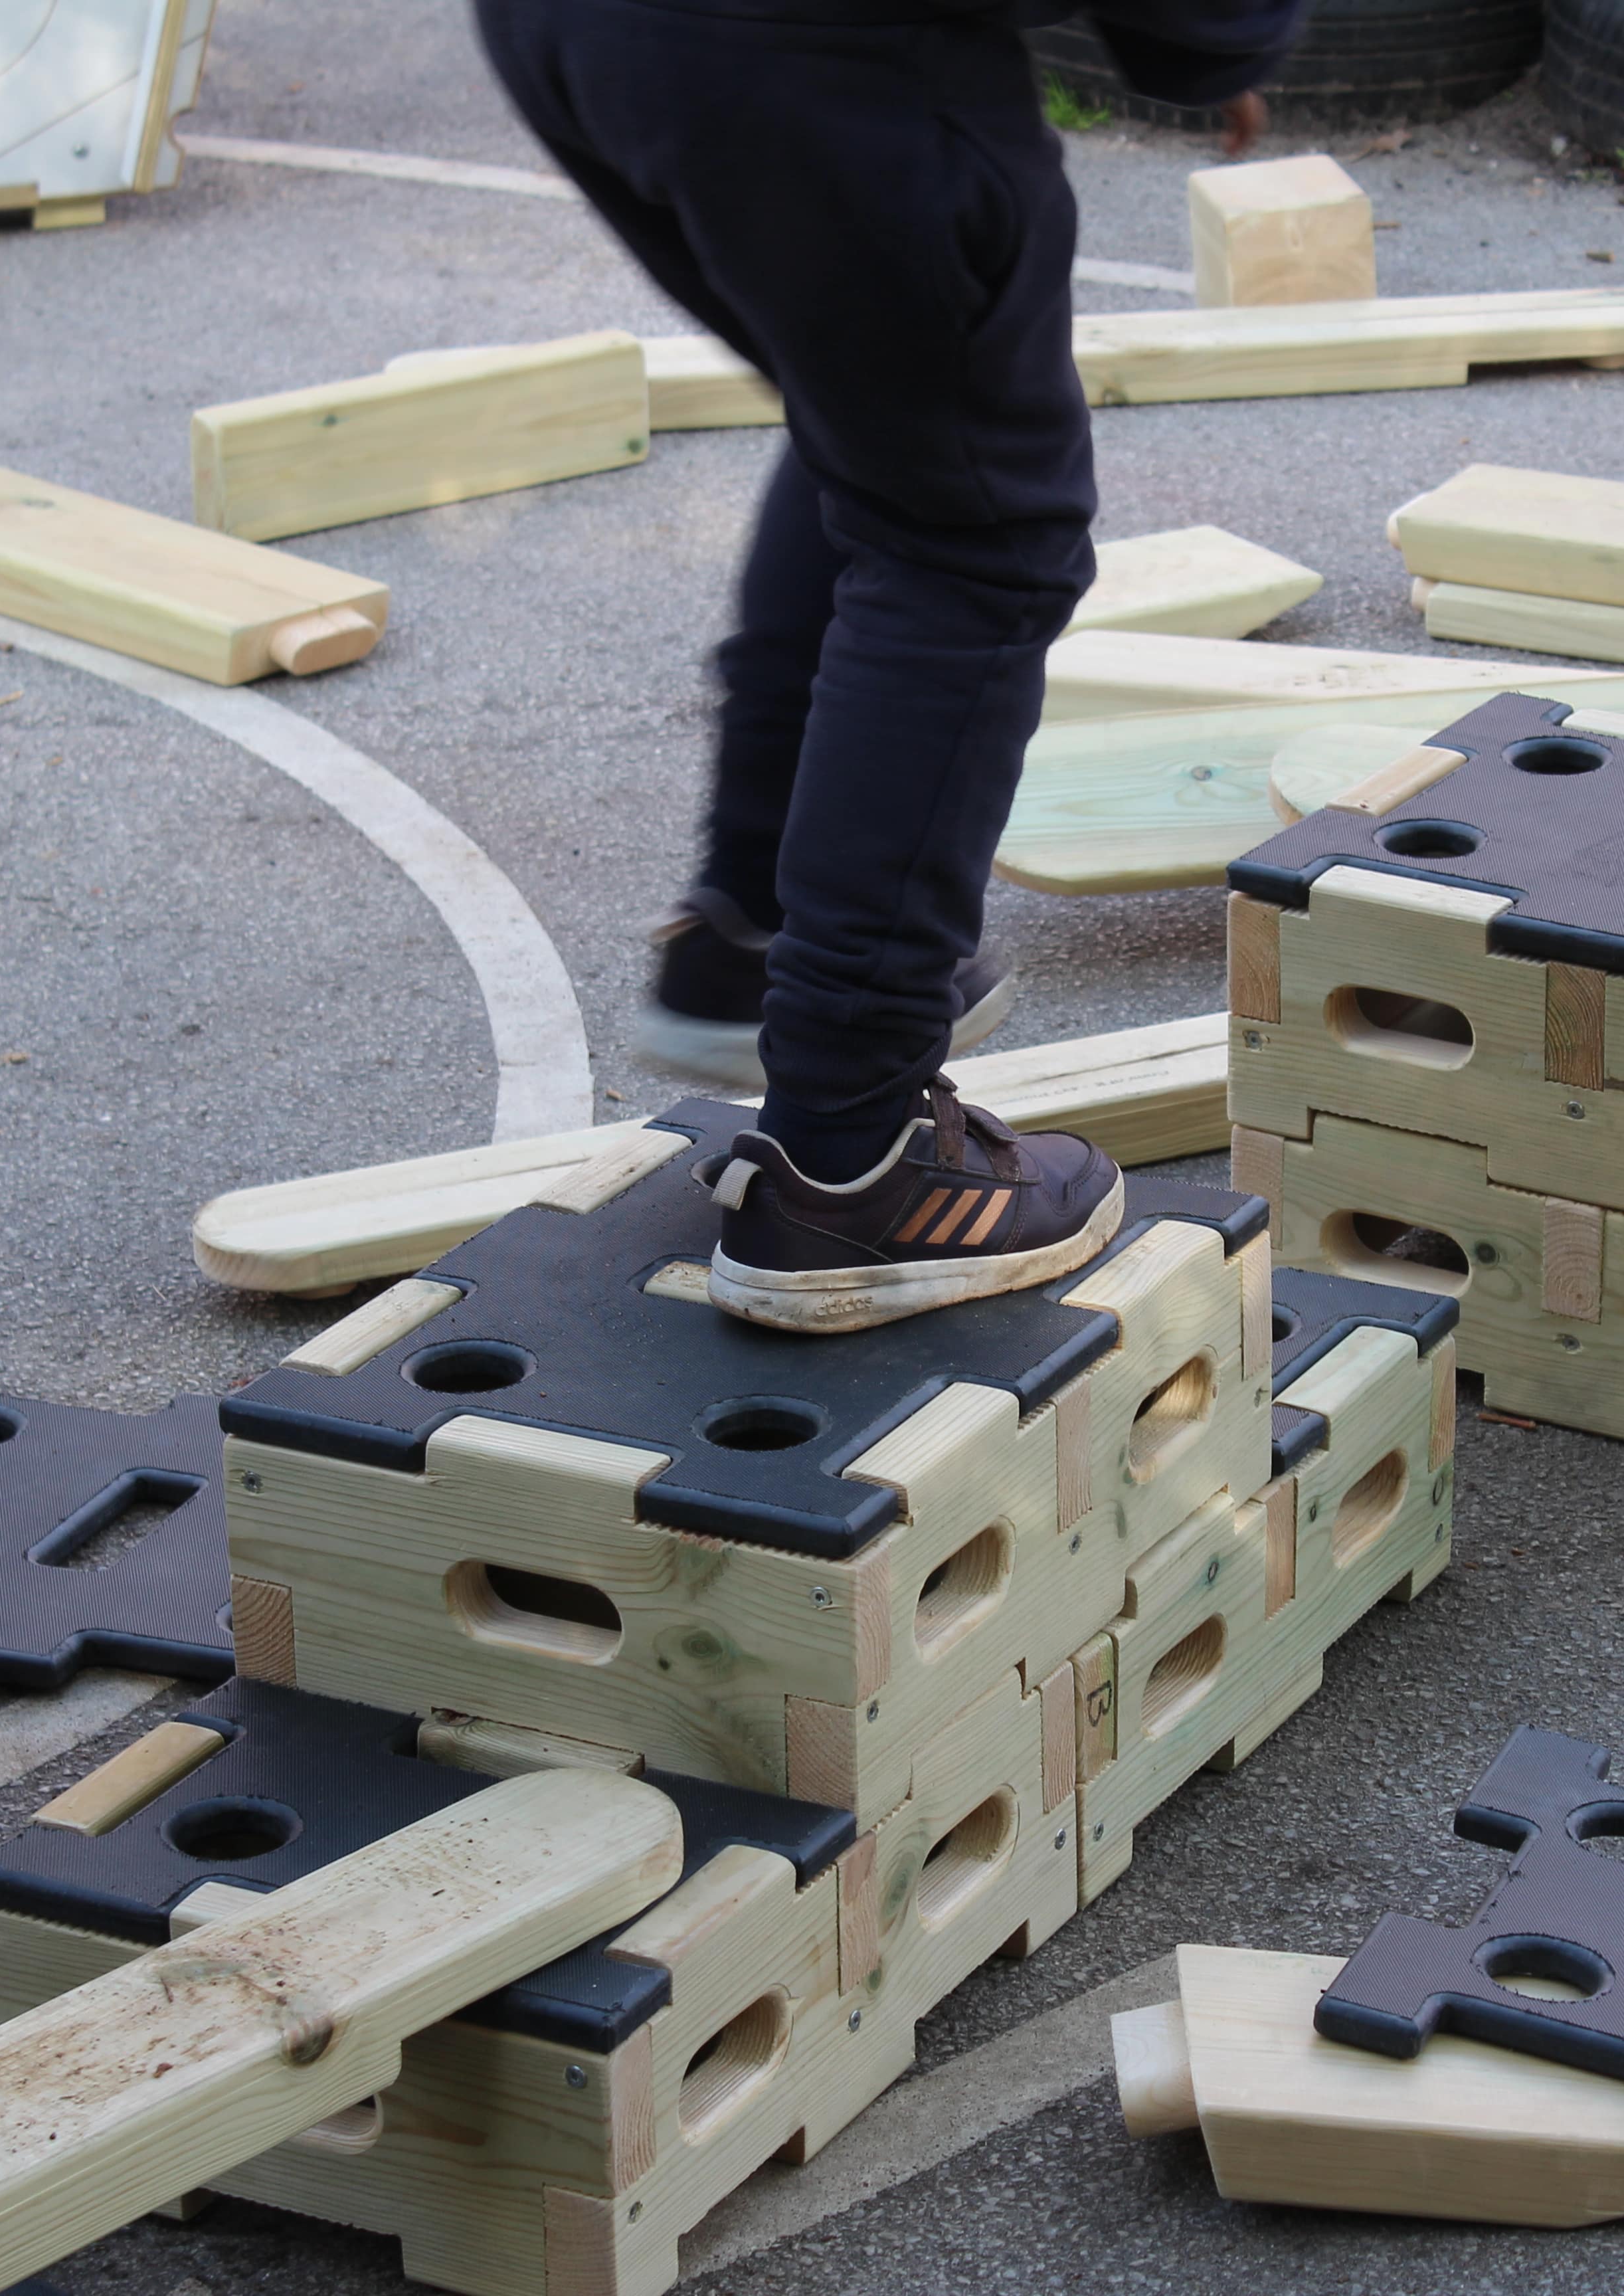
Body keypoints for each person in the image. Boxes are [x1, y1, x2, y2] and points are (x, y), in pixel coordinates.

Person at [476, 0, 1303, 1333]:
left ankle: (752, 946)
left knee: (883, 414)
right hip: (813, 53)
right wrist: (1214, 46)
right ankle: (848, 1159)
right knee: (971, 540)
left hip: (575, 31)